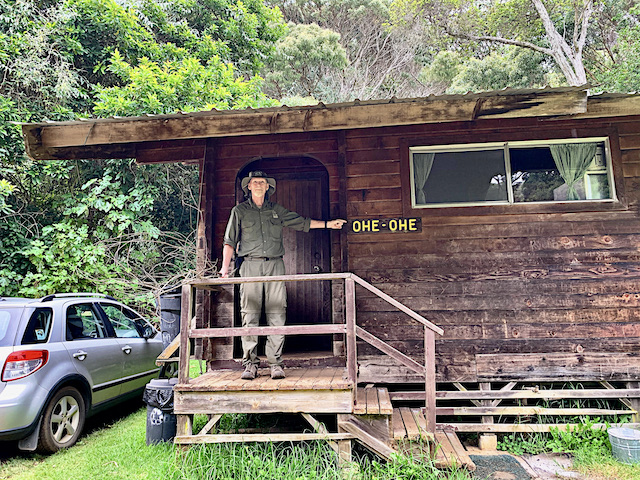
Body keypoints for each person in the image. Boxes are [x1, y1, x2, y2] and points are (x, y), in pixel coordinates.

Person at [220, 171, 346, 380]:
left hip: (275, 266)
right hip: (250, 266)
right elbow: (229, 241)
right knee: (249, 314)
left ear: (268, 187)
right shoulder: (239, 211)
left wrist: (328, 224)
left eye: (262, 182)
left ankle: (275, 364)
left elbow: (301, 222)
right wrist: (225, 268)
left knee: (277, 313)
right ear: (248, 187)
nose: (259, 185)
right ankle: (250, 364)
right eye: (255, 182)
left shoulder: (276, 210)